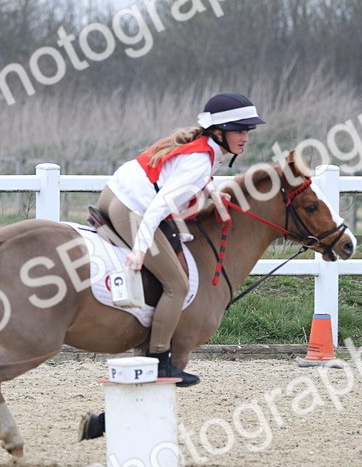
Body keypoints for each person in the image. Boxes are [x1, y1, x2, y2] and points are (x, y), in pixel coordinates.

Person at [96, 91, 265, 386]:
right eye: (239, 130)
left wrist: (211, 190)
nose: (245, 137)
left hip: (116, 194)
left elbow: (181, 179)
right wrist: (138, 251)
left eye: (247, 130)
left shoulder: (203, 150)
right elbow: (158, 208)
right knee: (177, 284)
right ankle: (161, 360)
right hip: (133, 209)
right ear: (219, 132)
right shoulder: (200, 161)